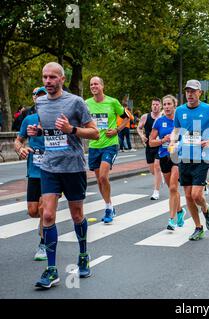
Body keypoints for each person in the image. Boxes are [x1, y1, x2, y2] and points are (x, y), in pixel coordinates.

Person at [27, 62, 99, 289]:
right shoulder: (39, 103)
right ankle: (51, 270)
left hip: (73, 166)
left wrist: (72, 130)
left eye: (52, 77)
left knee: (77, 215)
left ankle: (84, 255)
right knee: (47, 215)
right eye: (44, 77)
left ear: (62, 79)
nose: (47, 81)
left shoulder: (75, 102)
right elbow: (47, 128)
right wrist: (37, 131)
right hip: (49, 167)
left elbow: (95, 132)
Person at [169, 80, 209, 241]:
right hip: (184, 157)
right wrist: (173, 141)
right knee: (188, 196)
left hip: (201, 157)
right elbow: (176, 129)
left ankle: (206, 210)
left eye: (193, 91)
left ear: (200, 92)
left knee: (196, 195)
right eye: (187, 91)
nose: (190, 94)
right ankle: (198, 227)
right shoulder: (179, 111)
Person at [85, 76, 129, 223]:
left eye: (96, 84)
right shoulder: (86, 104)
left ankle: (108, 208)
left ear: (102, 86)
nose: (93, 86)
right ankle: (109, 205)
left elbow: (127, 117)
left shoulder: (112, 102)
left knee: (103, 176)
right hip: (94, 146)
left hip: (110, 144)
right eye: (91, 84)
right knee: (99, 180)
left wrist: (117, 130)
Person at [14, 86, 47, 261]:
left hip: (52, 171)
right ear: (33, 99)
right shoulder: (28, 119)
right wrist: (21, 149)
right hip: (34, 170)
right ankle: (43, 224)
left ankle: (43, 243)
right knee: (33, 211)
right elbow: (18, 141)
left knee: (44, 208)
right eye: (37, 96)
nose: (40, 98)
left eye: (44, 95)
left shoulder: (56, 116)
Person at [149, 95, 186, 230]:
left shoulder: (181, 120)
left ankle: (171, 220)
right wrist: (162, 141)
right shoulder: (159, 122)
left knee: (172, 187)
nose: (166, 107)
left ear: (174, 105)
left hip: (177, 156)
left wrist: (178, 143)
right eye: (164, 104)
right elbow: (151, 142)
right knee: (173, 189)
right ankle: (180, 210)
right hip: (164, 156)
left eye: (169, 104)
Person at [137, 98, 163, 200]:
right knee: (152, 170)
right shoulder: (145, 117)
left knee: (157, 166)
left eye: (157, 104)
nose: (155, 106)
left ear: (160, 106)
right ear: (151, 106)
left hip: (160, 146)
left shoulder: (163, 117)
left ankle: (156, 192)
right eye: (153, 104)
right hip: (149, 146)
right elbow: (139, 128)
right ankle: (160, 176)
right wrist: (142, 136)